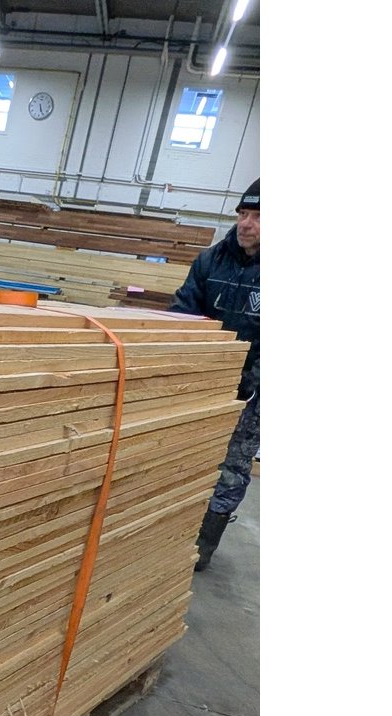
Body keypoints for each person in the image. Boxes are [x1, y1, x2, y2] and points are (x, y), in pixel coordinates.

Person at [170, 178, 260, 571]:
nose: (246, 224)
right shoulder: (210, 261)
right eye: (243, 214)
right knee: (184, 454)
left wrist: (251, 382)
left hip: (252, 393)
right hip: (203, 384)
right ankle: (170, 529)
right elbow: (182, 316)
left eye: (258, 217)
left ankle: (204, 542)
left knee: (232, 467)